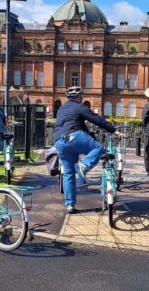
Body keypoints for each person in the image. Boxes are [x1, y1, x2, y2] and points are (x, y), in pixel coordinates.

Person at [54, 86, 124, 214]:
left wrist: (90, 136)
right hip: (74, 136)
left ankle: (70, 205)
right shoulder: (80, 106)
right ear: (80, 97)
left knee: (68, 174)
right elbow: (96, 119)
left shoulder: (61, 109)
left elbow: (79, 125)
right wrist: (113, 130)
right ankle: (84, 165)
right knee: (99, 148)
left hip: (60, 141)